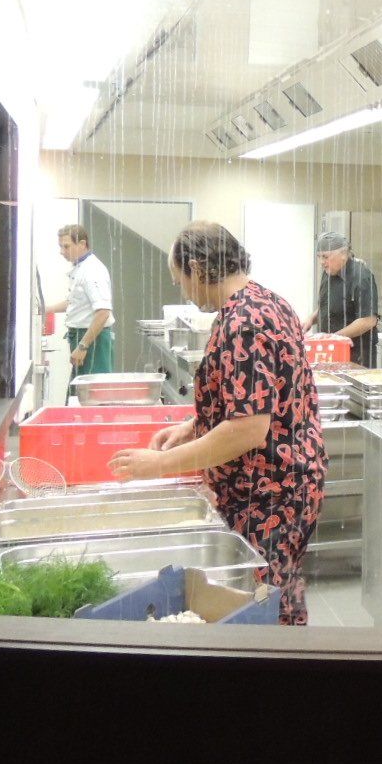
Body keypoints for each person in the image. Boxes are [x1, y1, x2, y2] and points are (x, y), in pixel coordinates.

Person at [107, 221, 326, 625]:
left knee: (260, 603)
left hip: (269, 492)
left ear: (196, 267)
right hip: (290, 482)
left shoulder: (243, 322)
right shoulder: (268, 301)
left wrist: (159, 464)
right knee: (281, 589)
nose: (184, 293)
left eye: (180, 281)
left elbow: (248, 428)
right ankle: (291, 648)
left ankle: (273, 655)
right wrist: (194, 427)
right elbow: (258, 397)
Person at [45, 224, 114, 390]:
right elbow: (74, 302)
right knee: (80, 390)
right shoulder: (80, 267)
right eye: (60, 247)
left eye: (66, 246)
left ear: (82, 244)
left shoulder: (93, 271)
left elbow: (103, 312)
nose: (62, 251)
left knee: (93, 391)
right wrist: (46, 309)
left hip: (93, 340)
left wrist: (83, 346)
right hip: (82, 337)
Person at [303, 230, 380, 368]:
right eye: (319, 257)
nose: (322, 262)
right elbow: (328, 305)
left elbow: (368, 320)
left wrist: (334, 338)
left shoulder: (361, 277)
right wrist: (310, 319)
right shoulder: (328, 273)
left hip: (356, 355)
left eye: (326, 257)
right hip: (330, 351)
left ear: (343, 254)